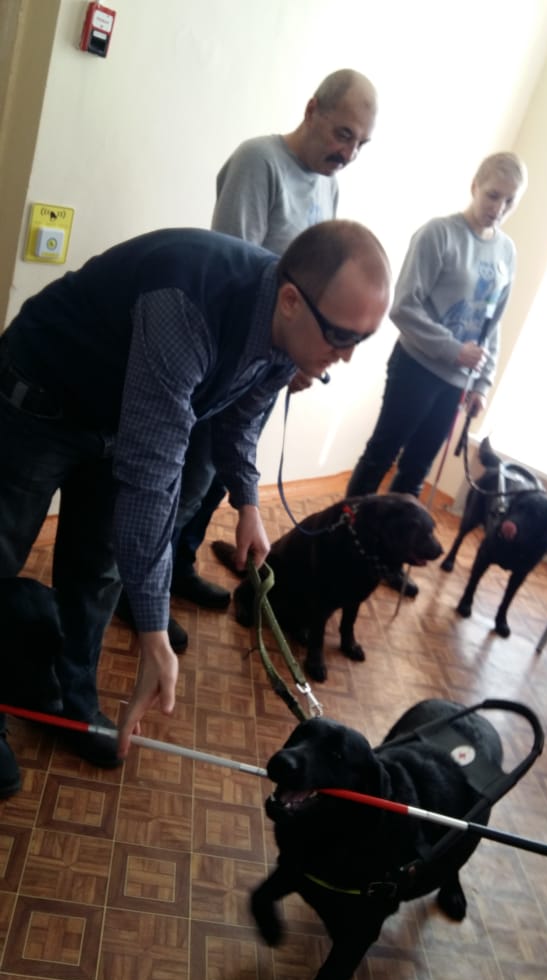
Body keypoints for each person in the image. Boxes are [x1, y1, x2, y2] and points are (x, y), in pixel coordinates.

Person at [0, 219, 392, 791]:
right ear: (291, 301)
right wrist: (153, 632)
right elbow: (151, 475)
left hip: (115, 417)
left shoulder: (291, 337)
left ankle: (68, 700)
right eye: (341, 335)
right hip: (39, 398)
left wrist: (248, 503)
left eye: (363, 339)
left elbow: (240, 419)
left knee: (99, 569)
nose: (348, 355)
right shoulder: (188, 305)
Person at [169, 67, 378, 602]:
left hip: (275, 360)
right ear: (312, 110)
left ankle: (179, 566)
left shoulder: (330, 184)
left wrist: (299, 358)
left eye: (361, 144)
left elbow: (323, 278)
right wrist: (289, 354)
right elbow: (232, 268)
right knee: (191, 475)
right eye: (343, 134)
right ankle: (142, 583)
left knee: (222, 474)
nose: (349, 153)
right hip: (231, 357)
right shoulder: (258, 161)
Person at [346, 151, 528, 598]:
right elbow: (403, 306)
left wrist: (482, 383)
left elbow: (493, 326)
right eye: (493, 195)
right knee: (381, 455)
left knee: (416, 470)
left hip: (456, 384)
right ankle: (344, 541)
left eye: (509, 201)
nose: (498, 208)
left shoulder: (507, 252)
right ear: (475, 185)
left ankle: (389, 558)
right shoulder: (438, 234)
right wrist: (453, 349)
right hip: (416, 367)